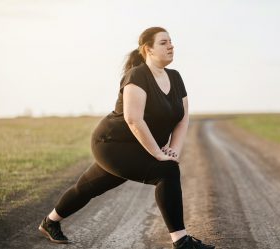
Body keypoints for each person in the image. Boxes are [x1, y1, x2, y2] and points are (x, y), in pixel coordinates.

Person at [38, 27, 215, 249]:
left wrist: (174, 149)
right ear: (147, 49)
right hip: (112, 144)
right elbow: (134, 120)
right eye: (163, 42)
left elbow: (183, 117)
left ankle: (50, 222)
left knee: (88, 187)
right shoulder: (137, 76)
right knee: (167, 170)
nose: (171, 45)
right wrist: (159, 154)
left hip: (137, 147)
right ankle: (181, 241)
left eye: (171, 41)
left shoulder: (175, 77)